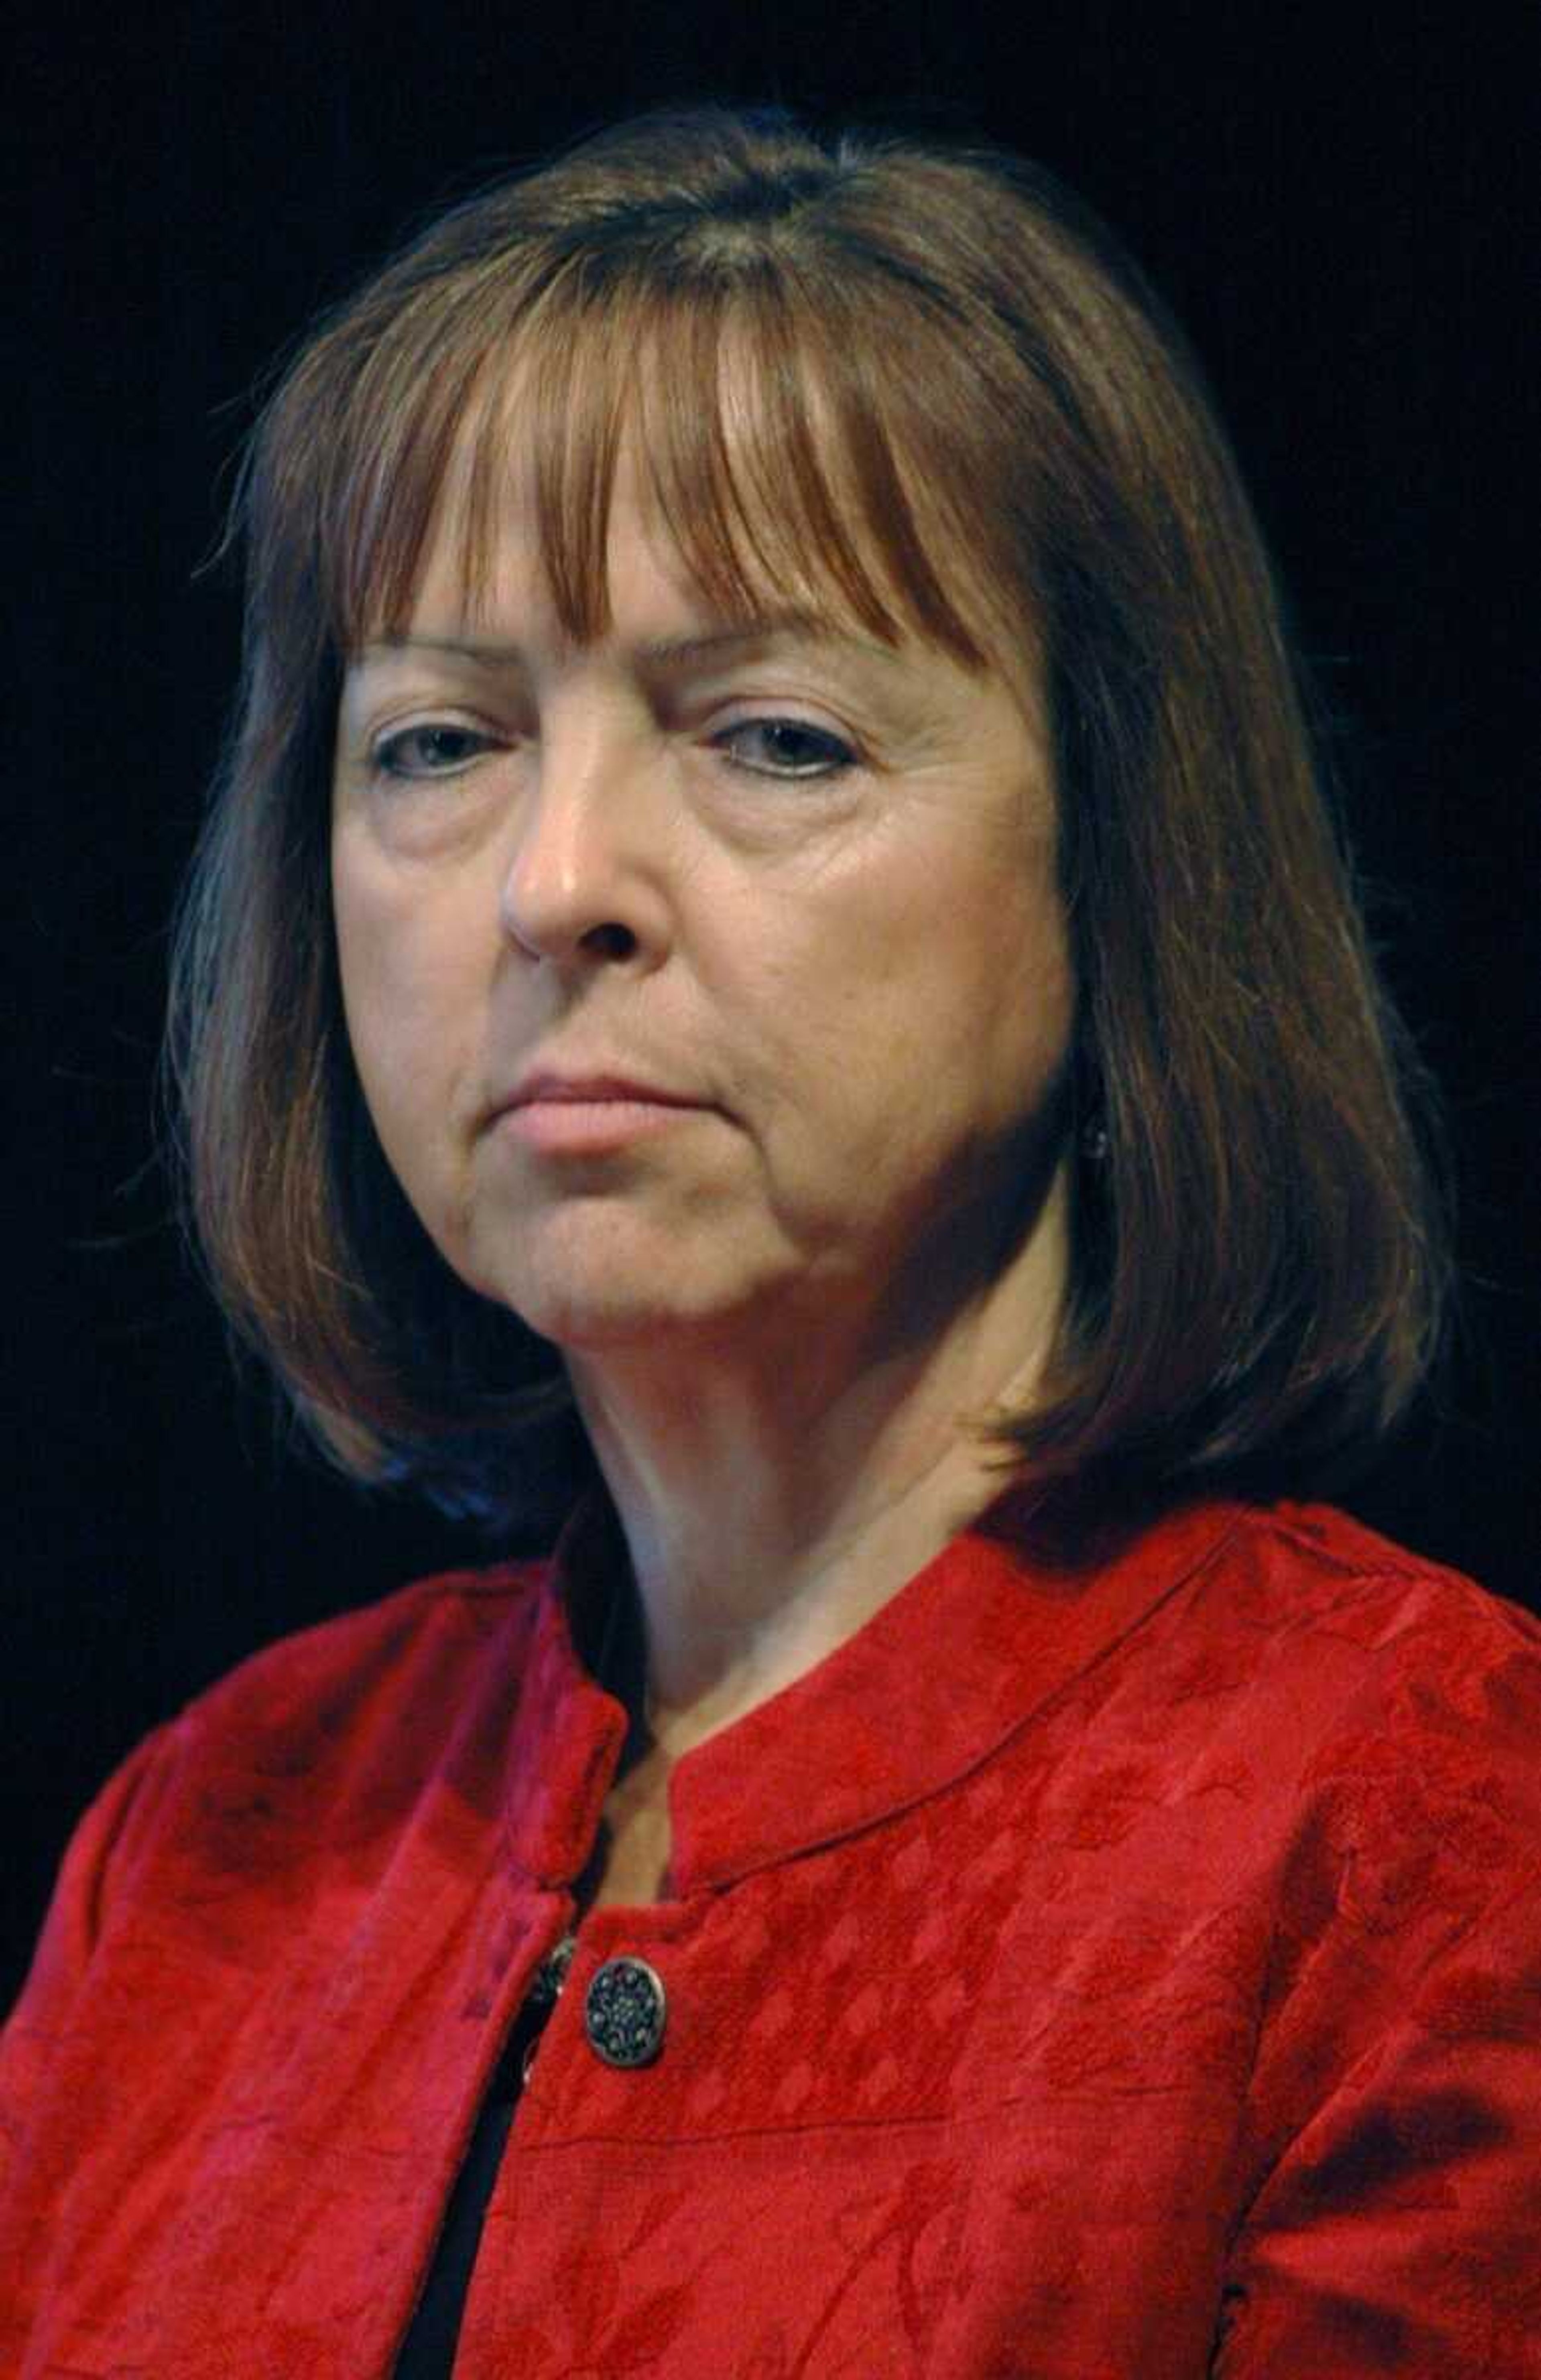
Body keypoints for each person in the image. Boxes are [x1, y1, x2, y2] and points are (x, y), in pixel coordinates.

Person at [2, 97, 1537, 2380]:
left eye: (780, 738)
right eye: (436, 742)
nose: (555, 885)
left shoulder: (1427, 1833)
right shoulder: (213, 1841)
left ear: (1117, 866)